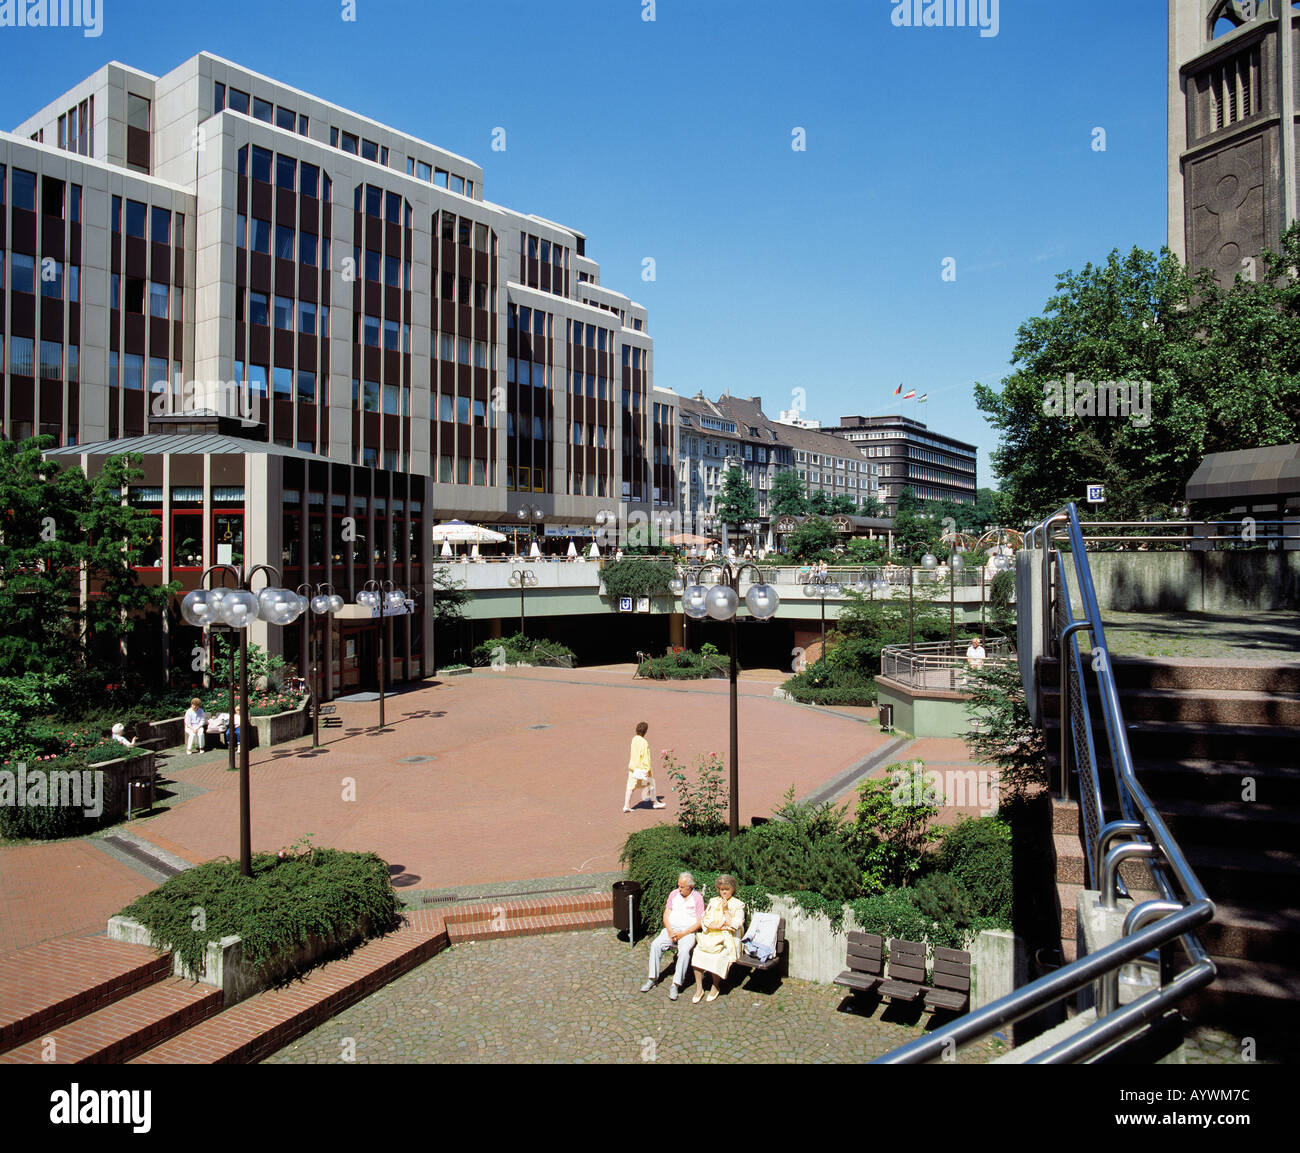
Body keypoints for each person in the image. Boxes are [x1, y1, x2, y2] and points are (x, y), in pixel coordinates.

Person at [641, 872, 705, 1001]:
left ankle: (675, 984)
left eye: (682, 887)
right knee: (655, 945)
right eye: (678, 885)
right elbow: (666, 914)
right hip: (671, 930)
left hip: (687, 932)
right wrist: (670, 931)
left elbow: (699, 922)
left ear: (690, 887)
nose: (679, 889)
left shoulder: (697, 898)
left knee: (684, 952)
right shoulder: (674, 894)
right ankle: (652, 978)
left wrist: (683, 933)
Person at [690, 874, 745, 1003]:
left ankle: (715, 986)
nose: (724, 892)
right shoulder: (713, 901)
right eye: (721, 889)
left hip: (727, 938)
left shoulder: (738, 905)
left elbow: (736, 924)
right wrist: (714, 925)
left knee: (718, 957)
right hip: (711, 935)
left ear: (732, 889)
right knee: (698, 953)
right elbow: (705, 919)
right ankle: (699, 988)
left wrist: (726, 910)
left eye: (727, 889)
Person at [624, 720, 665, 811]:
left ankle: (626, 805)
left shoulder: (634, 739)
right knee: (651, 784)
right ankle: (655, 803)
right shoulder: (644, 742)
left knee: (630, 786)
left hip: (633, 767)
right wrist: (647, 769)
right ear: (645, 731)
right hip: (642, 768)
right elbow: (645, 757)